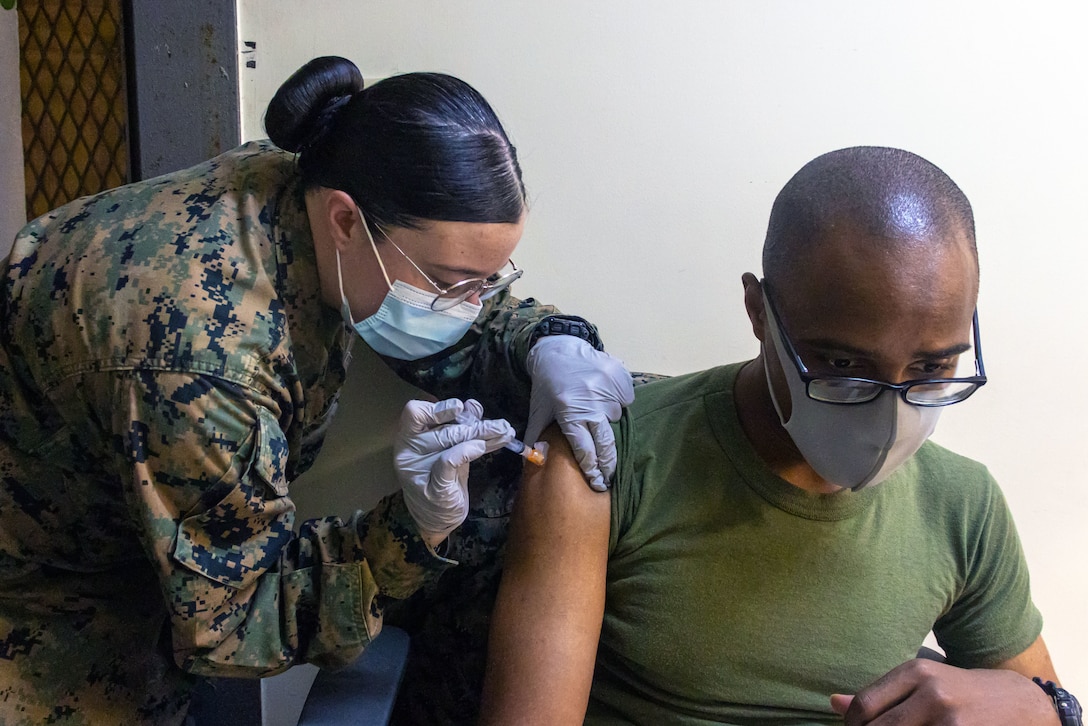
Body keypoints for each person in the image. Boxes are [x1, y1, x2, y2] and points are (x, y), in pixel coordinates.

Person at [0, 56, 633, 725]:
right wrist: (410, 530)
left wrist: (550, 340)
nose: (472, 305)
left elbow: (457, 298)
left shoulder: (309, 177)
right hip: (46, 635)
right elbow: (236, 626)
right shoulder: (205, 365)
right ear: (346, 222)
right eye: (452, 284)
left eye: (491, 280)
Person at [480, 147, 1083, 726]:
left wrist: (1052, 710)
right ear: (759, 312)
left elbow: (1037, 699)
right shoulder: (603, 459)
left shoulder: (963, 506)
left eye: (931, 370)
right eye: (844, 367)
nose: (890, 414)